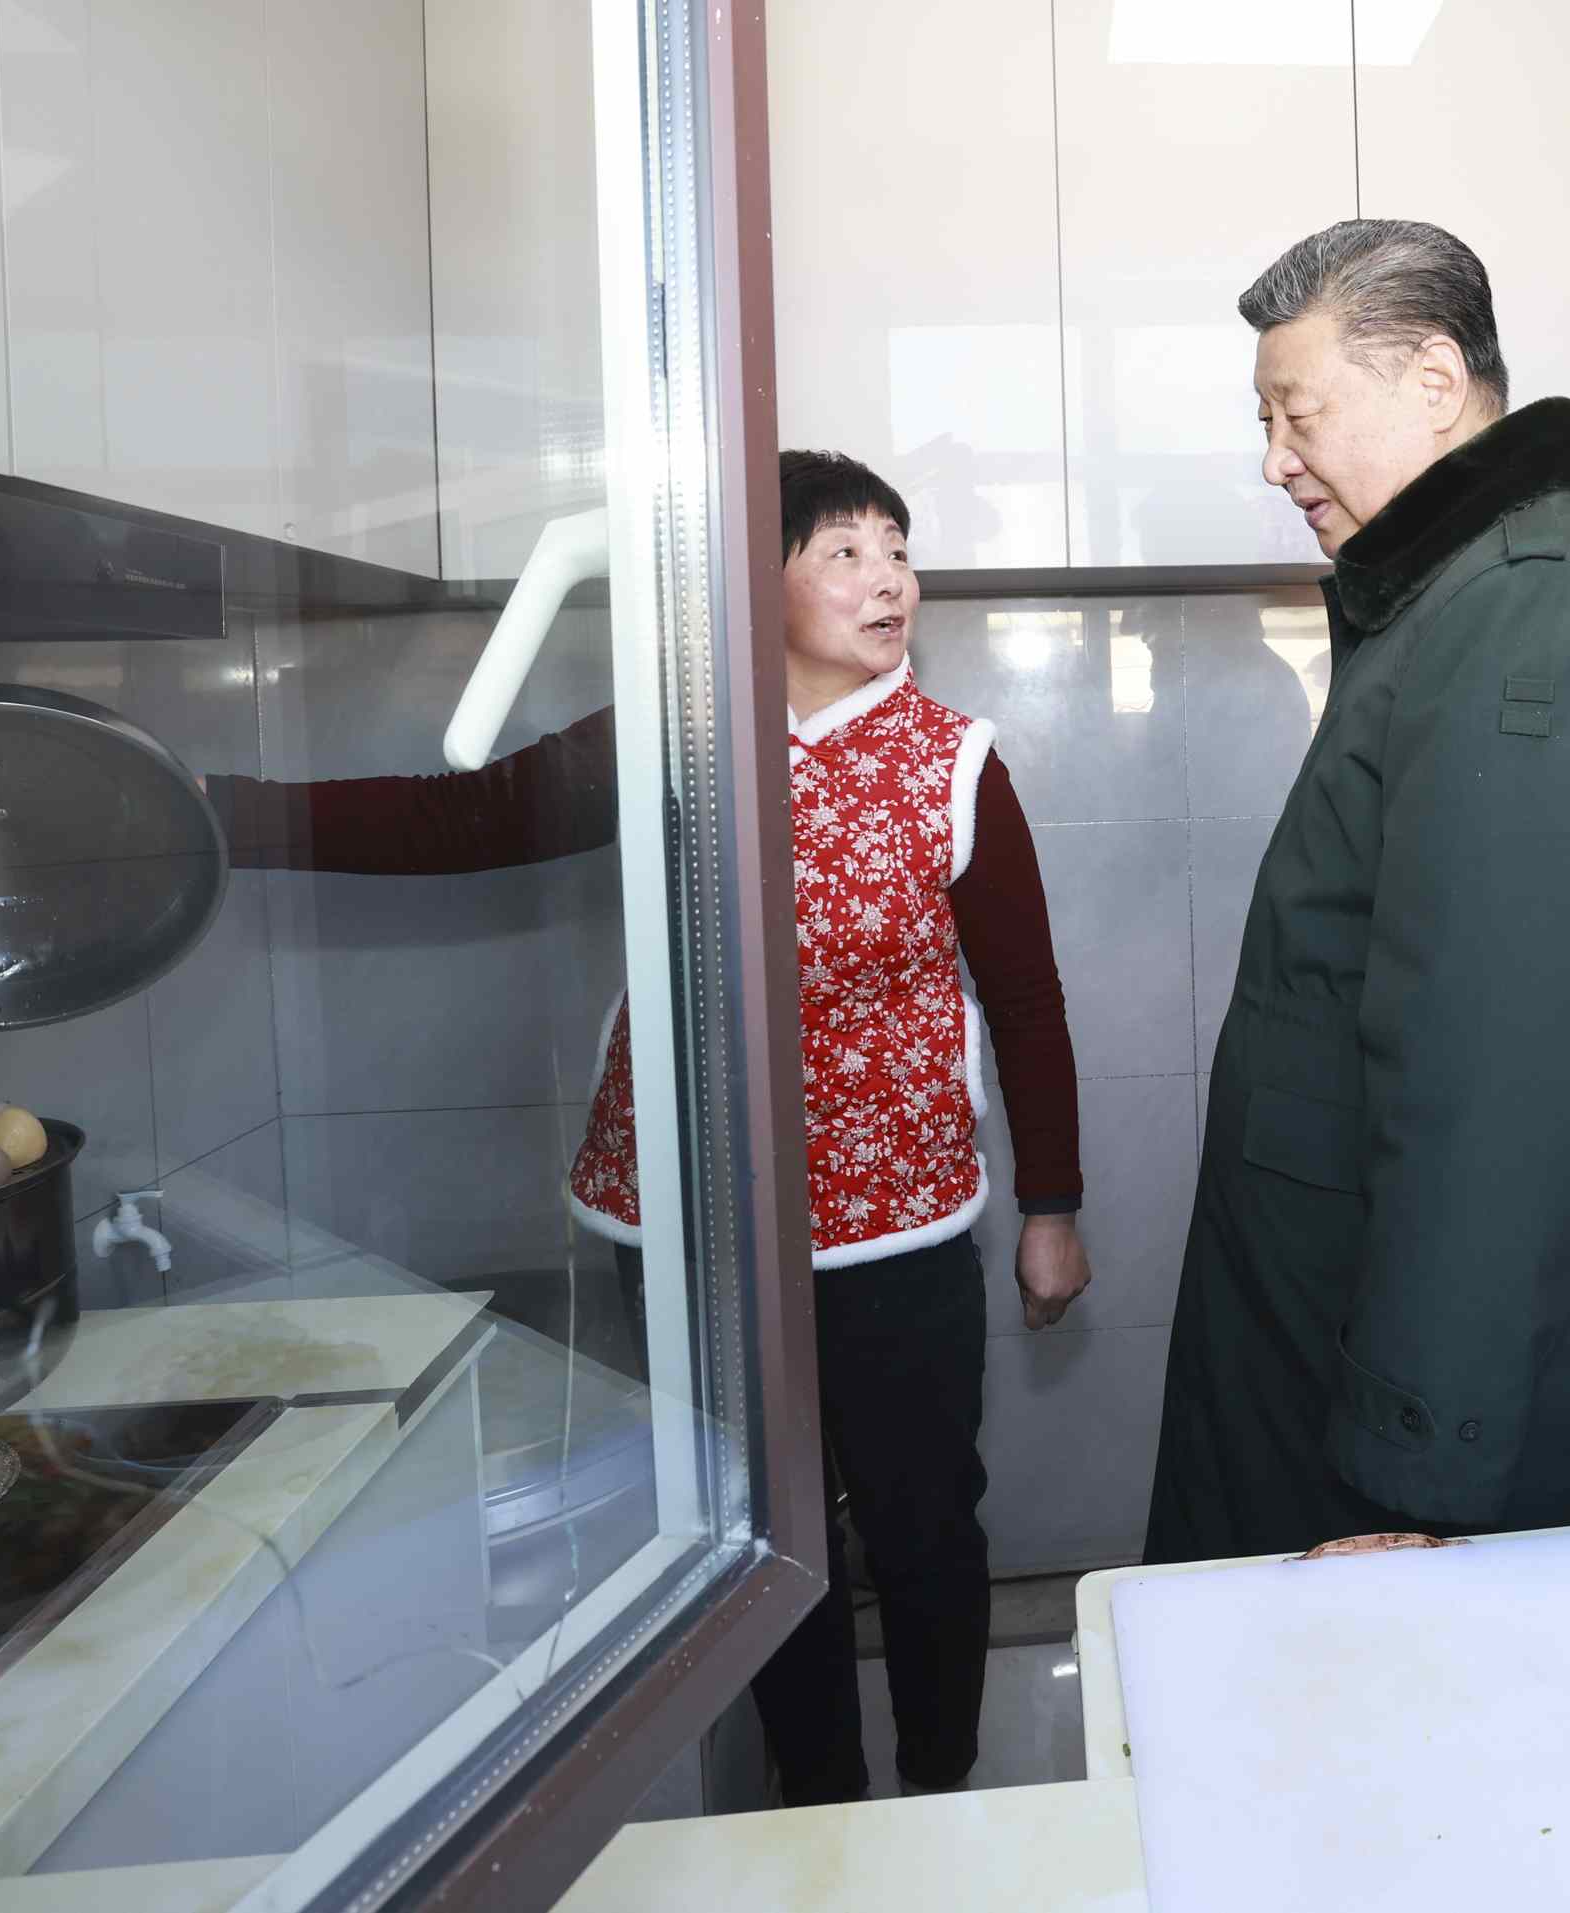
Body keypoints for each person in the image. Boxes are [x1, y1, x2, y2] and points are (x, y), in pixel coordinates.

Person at [204, 449, 1094, 1802]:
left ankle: (939, 1787)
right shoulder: (676, 735)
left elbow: (1026, 1000)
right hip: (695, 1222)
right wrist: (219, 816)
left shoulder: (955, 764)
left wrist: (1051, 1207)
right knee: (763, 1535)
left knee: (924, 1526)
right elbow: (462, 816)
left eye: (898, 550)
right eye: (844, 551)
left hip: (897, 1228)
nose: (889, 581)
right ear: (754, 581)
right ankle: (819, 1807)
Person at [1141, 219, 1570, 1563]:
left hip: (1426, 1419)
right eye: (1264, 421)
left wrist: (1418, 1472)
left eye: (1299, 414)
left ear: (1436, 381)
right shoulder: (1458, 590)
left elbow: (1505, 1082)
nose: (1275, 459)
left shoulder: (1544, 613)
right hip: (1337, 1312)